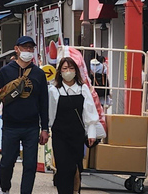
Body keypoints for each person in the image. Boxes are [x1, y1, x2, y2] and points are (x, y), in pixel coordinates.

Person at [0, 36, 49, 194]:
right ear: (17, 49)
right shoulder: (6, 72)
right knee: (7, 162)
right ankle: (4, 189)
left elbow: (44, 103)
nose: (28, 50)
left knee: (30, 164)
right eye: (25, 47)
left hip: (32, 126)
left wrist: (45, 128)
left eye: (31, 48)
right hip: (10, 125)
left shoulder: (39, 74)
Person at [49, 57, 98, 194]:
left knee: (75, 168)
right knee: (63, 167)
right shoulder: (54, 90)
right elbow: (50, 114)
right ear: (60, 72)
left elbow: (90, 112)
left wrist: (91, 132)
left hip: (77, 135)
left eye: (71, 68)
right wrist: (45, 130)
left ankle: (75, 191)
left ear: (76, 71)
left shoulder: (83, 89)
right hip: (60, 135)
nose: (68, 72)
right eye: (65, 69)